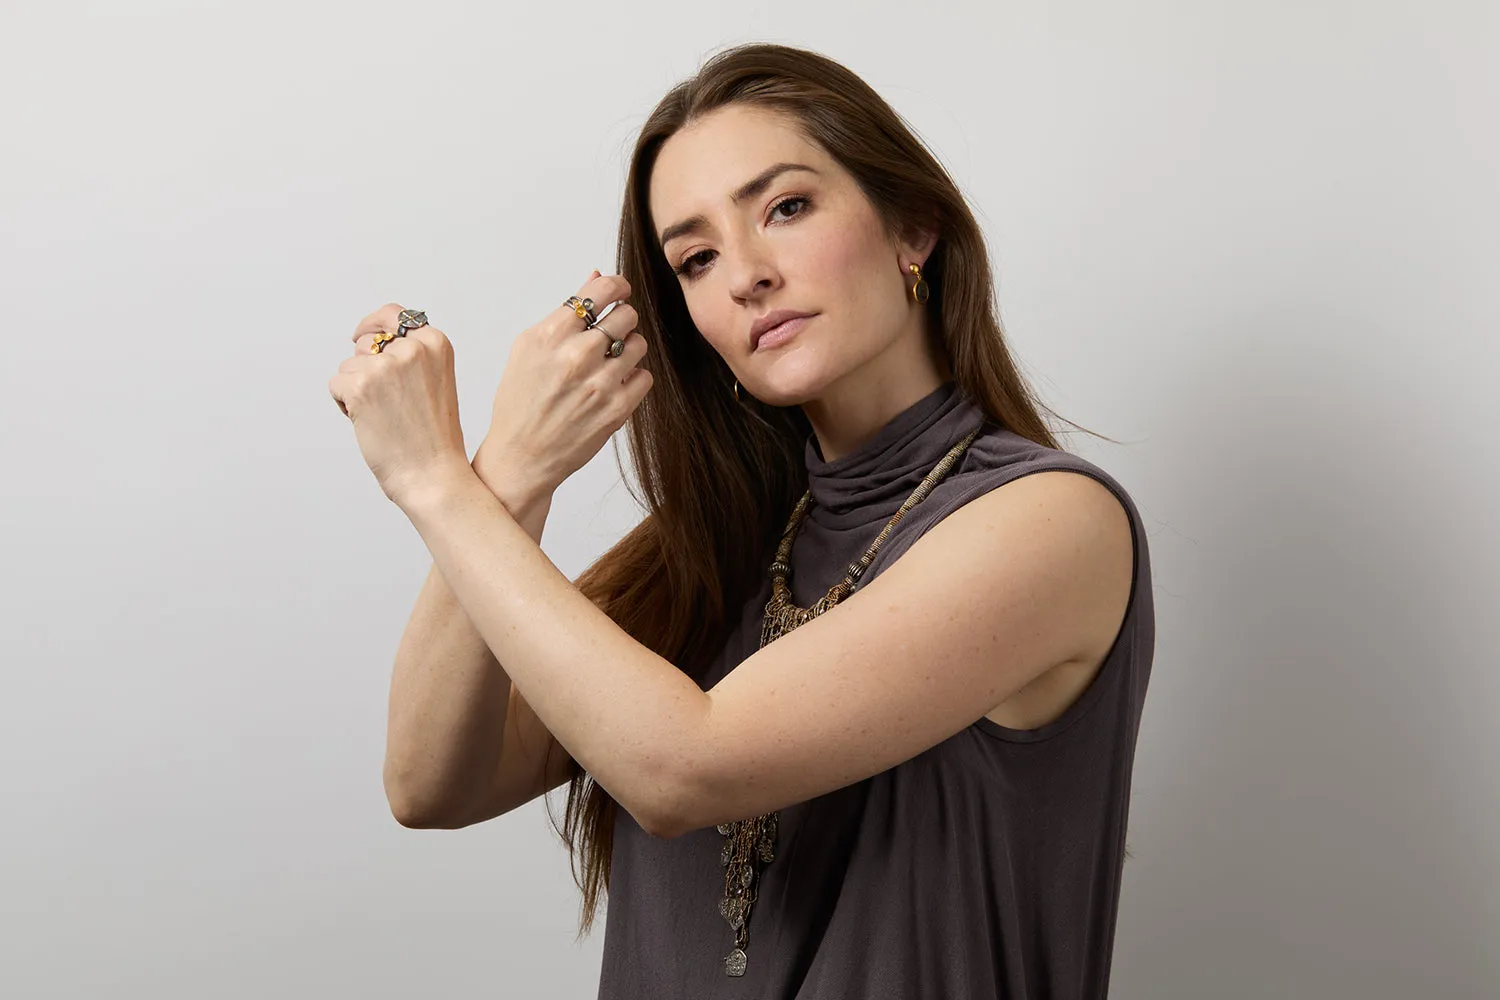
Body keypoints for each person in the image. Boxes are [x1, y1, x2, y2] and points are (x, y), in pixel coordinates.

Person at [329, 41, 1154, 1000]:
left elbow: (687, 768)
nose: (745, 275)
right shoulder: (708, 550)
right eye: (696, 257)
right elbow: (433, 783)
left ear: (912, 230)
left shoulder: (1052, 520)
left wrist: (436, 483)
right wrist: (508, 481)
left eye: (787, 208)